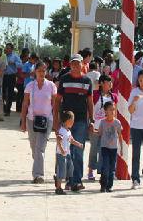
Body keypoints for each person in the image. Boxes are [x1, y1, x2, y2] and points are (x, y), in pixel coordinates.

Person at [53, 53, 93, 192]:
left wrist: (91, 120)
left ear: (83, 64)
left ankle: (76, 180)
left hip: (81, 120)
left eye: (78, 63)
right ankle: (64, 179)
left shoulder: (87, 81)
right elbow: (57, 100)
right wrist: (56, 120)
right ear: (70, 65)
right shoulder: (64, 79)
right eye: (73, 63)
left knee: (78, 150)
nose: (76, 66)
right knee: (64, 151)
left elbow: (90, 102)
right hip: (65, 122)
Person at [21, 61, 57, 183]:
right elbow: (25, 103)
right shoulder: (30, 86)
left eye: (44, 70)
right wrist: (23, 121)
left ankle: (38, 175)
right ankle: (37, 166)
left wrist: (56, 121)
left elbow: (55, 104)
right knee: (34, 147)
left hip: (46, 121)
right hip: (32, 120)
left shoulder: (51, 86)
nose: (42, 73)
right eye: (39, 70)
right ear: (35, 72)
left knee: (40, 148)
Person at [87, 74, 117, 181]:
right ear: (101, 83)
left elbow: (115, 112)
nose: (110, 84)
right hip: (95, 126)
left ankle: (102, 171)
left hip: (108, 128)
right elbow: (89, 108)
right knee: (94, 149)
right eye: (107, 82)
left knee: (104, 150)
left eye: (110, 83)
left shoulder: (114, 96)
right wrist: (89, 122)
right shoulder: (94, 94)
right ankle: (90, 170)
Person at [90, 101, 123, 192]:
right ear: (105, 111)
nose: (112, 111)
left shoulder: (117, 122)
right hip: (104, 148)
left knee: (112, 168)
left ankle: (110, 186)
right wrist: (93, 131)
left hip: (114, 148)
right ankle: (103, 185)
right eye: (110, 110)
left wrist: (121, 148)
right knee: (105, 166)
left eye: (113, 109)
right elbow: (99, 133)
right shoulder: (102, 122)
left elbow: (120, 135)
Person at [55, 111, 83, 195]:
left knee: (71, 168)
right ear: (66, 120)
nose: (73, 122)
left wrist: (78, 144)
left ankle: (72, 184)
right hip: (61, 154)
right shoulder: (62, 131)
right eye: (72, 120)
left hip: (67, 154)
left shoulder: (68, 131)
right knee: (61, 170)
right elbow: (58, 140)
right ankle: (58, 187)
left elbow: (71, 140)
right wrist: (62, 149)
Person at [3, 43, 22, 117]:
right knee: (3, 93)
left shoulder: (15, 56)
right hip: (3, 76)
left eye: (8, 48)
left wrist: (14, 63)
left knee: (10, 93)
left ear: (11, 49)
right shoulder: (3, 56)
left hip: (12, 76)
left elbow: (21, 65)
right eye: (6, 48)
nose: (7, 49)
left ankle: (8, 110)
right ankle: (4, 108)